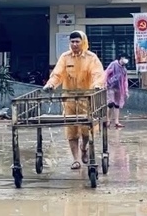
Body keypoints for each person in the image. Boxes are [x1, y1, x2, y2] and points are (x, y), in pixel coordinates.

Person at [43, 30, 105, 170]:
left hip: (86, 98)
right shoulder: (65, 57)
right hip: (69, 98)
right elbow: (58, 73)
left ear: (83, 42)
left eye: (77, 41)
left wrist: (97, 85)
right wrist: (51, 84)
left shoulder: (91, 58)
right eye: (72, 41)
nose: (75, 44)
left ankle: (84, 148)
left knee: (86, 128)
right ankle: (76, 159)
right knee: (71, 128)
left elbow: (98, 73)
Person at [104, 54, 130, 128]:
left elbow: (125, 81)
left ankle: (116, 122)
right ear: (121, 58)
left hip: (119, 88)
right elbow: (106, 73)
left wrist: (126, 91)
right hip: (110, 87)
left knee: (117, 105)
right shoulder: (114, 64)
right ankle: (108, 120)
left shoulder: (124, 69)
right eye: (125, 58)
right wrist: (105, 83)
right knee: (110, 103)